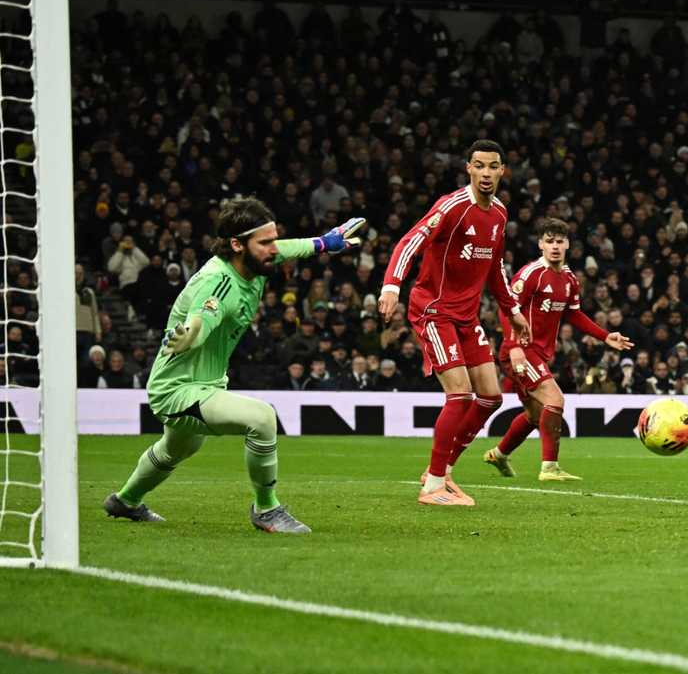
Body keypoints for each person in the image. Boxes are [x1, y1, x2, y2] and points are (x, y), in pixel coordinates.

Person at [103, 197, 365, 533]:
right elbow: (201, 321)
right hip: (178, 390)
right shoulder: (218, 282)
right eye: (266, 242)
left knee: (176, 448)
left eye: (274, 239)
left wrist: (324, 243)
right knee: (262, 418)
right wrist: (188, 336)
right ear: (237, 244)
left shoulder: (254, 260)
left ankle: (125, 501)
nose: (274, 248)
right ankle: (267, 509)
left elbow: (289, 247)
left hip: (206, 383)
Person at [380, 139, 531, 506]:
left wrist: (512, 309)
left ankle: (443, 471)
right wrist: (391, 286)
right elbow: (409, 242)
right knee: (460, 395)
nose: (485, 173)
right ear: (468, 168)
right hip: (433, 310)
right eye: (479, 165)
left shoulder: (499, 213)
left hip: (466, 317)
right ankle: (432, 485)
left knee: (491, 397)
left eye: (493, 166)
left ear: (501, 171)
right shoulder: (452, 206)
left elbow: (495, 266)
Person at [484, 217, 632, 482]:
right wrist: (516, 345)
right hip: (520, 350)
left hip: (538, 353)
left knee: (534, 415)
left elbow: (574, 315)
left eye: (560, 241)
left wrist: (605, 335)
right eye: (549, 241)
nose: (554, 246)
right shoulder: (531, 274)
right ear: (541, 244)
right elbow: (507, 309)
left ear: (568, 245)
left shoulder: (569, 279)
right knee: (556, 400)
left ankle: (499, 453)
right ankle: (549, 468)